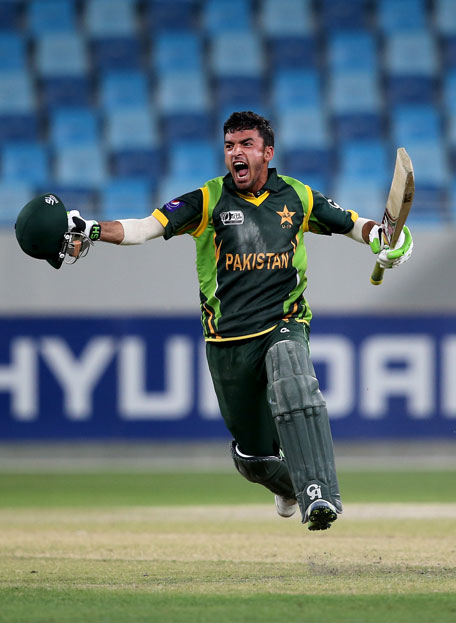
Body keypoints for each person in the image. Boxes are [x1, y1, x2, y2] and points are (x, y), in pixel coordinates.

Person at [66, 111, 412, 530]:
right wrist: (94, 229)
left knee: (294, 378)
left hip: (285, 320)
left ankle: (320, 493)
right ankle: (286, 485)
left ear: (267, 152)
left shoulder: (297, 196)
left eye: (246, 144)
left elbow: (353, 224)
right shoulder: (207, 200)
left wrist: (381, 238)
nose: (236, 154)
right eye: (230, 146)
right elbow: (144, 228)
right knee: (253, 459)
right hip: (227, 342)